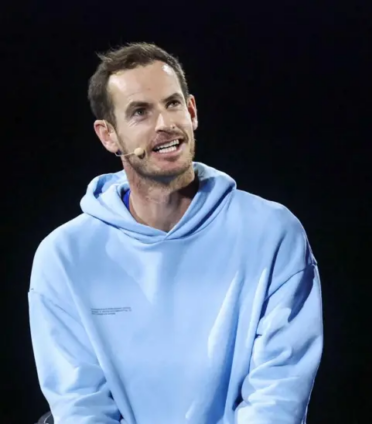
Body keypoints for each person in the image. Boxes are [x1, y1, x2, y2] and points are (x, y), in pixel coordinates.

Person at [28, 42, 323, 423]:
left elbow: (277, 396)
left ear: (192, 111)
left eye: (172, 104)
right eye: (140, 112)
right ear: (108, 135)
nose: (164, 124)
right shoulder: (63, 256)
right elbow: (81, 404)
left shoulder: (272, 233)